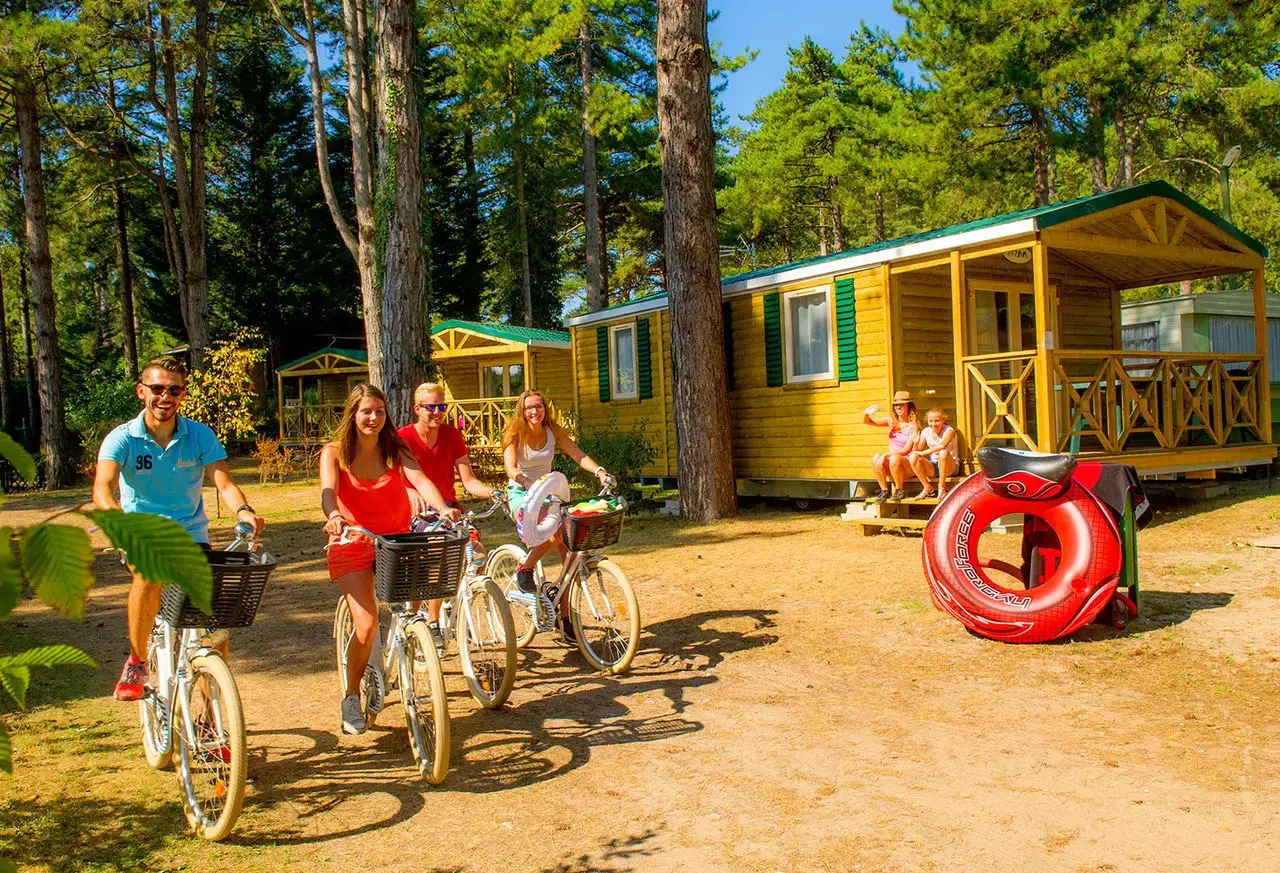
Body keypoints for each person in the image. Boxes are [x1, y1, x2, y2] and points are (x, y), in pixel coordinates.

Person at [94, 357, 265, 702]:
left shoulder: (199, 435)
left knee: (214, 618)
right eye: (157, 389)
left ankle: (211, 713)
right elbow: (102, 489)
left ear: (183, 394)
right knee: (149, 574)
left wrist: (245, 511)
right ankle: (137, 662)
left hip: (191, 537)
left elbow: (224, 482)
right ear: (141, 391)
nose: (165, 397)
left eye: (174, 390)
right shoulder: (122, 438)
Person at [321, 383, 461, 736]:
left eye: (379, 412)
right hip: (352, 541)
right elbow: (328, 493)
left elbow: (420, 480)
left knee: (411, 607)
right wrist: (334, 515)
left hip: (395, 541)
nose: (373, 418)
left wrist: (442, 508)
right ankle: (351, 695)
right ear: (353, 414)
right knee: (367, 626)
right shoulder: (334, 452)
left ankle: (411, 649)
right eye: (366, 411)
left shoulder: (395, 448)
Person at [397, 382, 502, 649]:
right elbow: (391, 478)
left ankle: (454, 605)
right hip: (416, 511)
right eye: (431, 407)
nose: (437, 412)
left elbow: (469, 481)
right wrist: (408, 492)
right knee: (438, 552)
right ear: (417, 409)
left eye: (441, 407)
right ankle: (433, 622)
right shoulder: (403, 438)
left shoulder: (452, 435)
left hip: (449, 508)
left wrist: (493, 492)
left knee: (478, 554)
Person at [502, 389, 610, 641]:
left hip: (548, 492)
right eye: (529, 407)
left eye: (538, 406)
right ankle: (525, 567)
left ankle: (565, 619)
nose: (534, 411)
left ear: (545, 408)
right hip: (521, 493)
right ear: (522, 410)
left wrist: (599, 471)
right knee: (557, 531)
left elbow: (578, 455)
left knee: (570, 556)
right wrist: (525, 481)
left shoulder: (553, 430)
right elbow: (510, 468)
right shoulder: (514, 433)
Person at [862, 390, 922, 503]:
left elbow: (906, 450)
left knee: (894, 458)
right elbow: (868, 422)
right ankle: (884, 490)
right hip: (892, 464)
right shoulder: (891, 421)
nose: (898, 407)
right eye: (896, 405)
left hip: (907, 465)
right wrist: (866, 413)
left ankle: (899, 490)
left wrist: (886, 454)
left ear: (909, 406)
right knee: (876, 457)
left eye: (902, 404)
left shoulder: (913, 426)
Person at [910, 407, 960, 499]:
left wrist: (923, 453)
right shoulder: (926, 431)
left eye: (937, 421)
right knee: (913, 456)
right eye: (931, 421)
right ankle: (927, 486)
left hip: (950, 466)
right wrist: (915, 443)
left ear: (943, 420)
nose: (933, 424)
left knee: (943, 453)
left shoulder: (949, 431)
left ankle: (942, 487)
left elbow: (942, 445)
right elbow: (916, 452)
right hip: (934, 466)